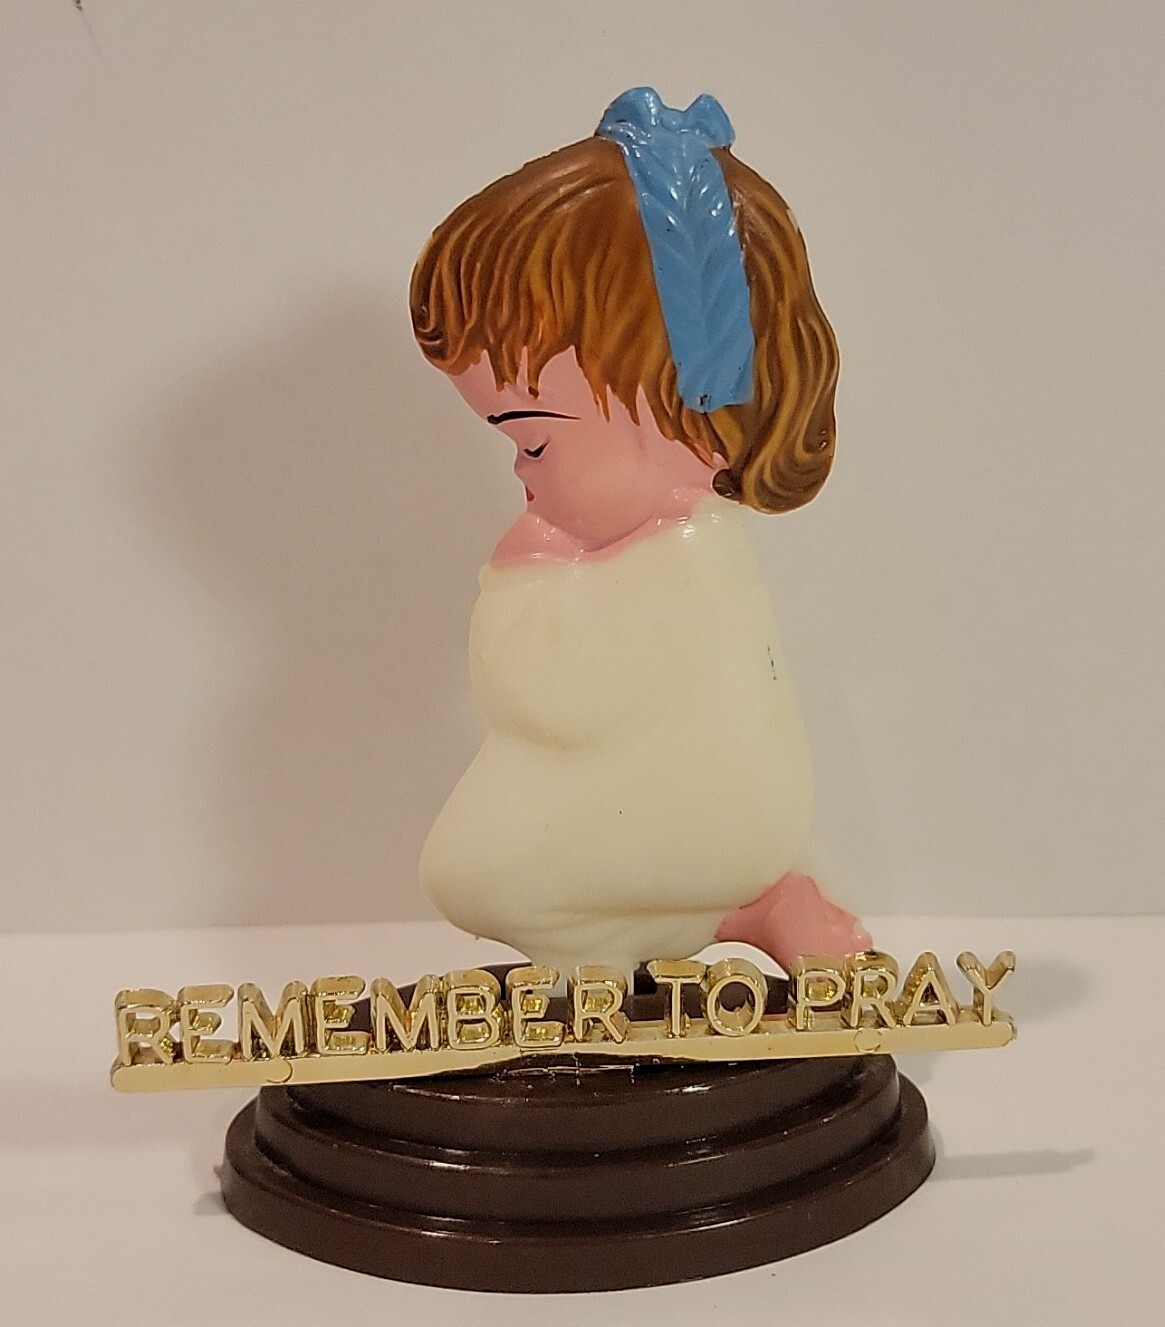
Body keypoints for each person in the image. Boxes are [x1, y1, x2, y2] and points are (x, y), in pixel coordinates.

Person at [409, 87, 870, 979]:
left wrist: (518, 579)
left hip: (710, 811)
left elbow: (546, 701)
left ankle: (692, 923)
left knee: (470, 872)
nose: (520, 474)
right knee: (485, 854)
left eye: (533, 440)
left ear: (685, 419)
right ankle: (716, 914)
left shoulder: (676, 561)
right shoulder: (672, 547)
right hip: (689, 795)